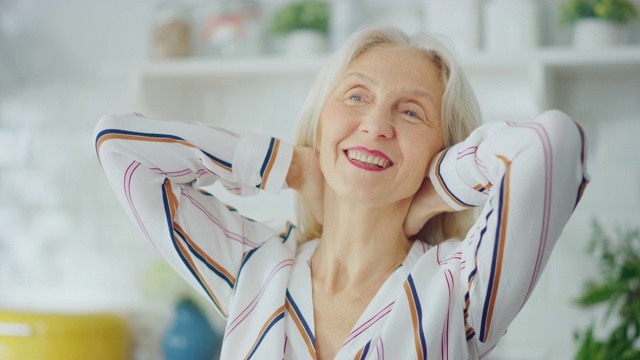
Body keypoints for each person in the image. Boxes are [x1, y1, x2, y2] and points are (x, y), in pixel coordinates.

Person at [94, 26, 589, 359]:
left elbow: (549, 146)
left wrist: (436, 187)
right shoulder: (254, 266)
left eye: (411, 111)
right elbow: (119, 147)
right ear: (321, 118)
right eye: (356, 96)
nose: (375, 125)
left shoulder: (458, 287)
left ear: (441, 147)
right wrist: (290, 165)